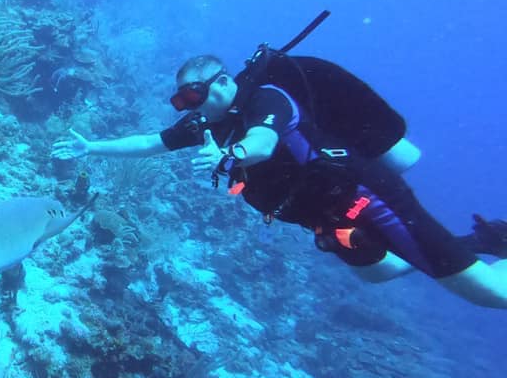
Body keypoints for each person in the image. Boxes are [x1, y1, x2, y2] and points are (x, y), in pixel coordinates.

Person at [52, 46, 507, 310]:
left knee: (486, 293)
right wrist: (91, 147)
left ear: (224, 81)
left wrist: (228, 156)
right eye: (182, 100)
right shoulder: (207, 125)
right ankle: (474, 242)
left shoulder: (267, 100)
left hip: (366, 198)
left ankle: (478, 254)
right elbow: (150, 142)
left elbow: (263, 144)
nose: (190, 106)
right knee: (380, 273)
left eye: (195, 94)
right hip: (325, 220)